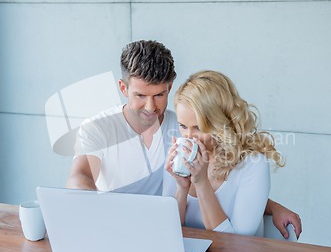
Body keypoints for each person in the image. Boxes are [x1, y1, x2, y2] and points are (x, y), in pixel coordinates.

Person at [66, 40, 302, 238]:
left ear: (169, 88)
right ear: (123, 88)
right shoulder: (99, 128)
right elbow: (80, 177)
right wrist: (99, 219)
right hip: (120, 231)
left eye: (159, 95)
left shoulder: (177, 127)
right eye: (140, 95)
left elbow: (231, 181)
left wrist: (271, 207)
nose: (151, 107)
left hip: (165, 238)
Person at [165, 70, 293, 236]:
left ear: (221, 123)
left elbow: (237, 242)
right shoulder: (178, 157)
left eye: (199, 127)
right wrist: (181, 189)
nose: (189, 137)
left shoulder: (252, 164)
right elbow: (167, 231)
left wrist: (202, 183)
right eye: (183, 126)